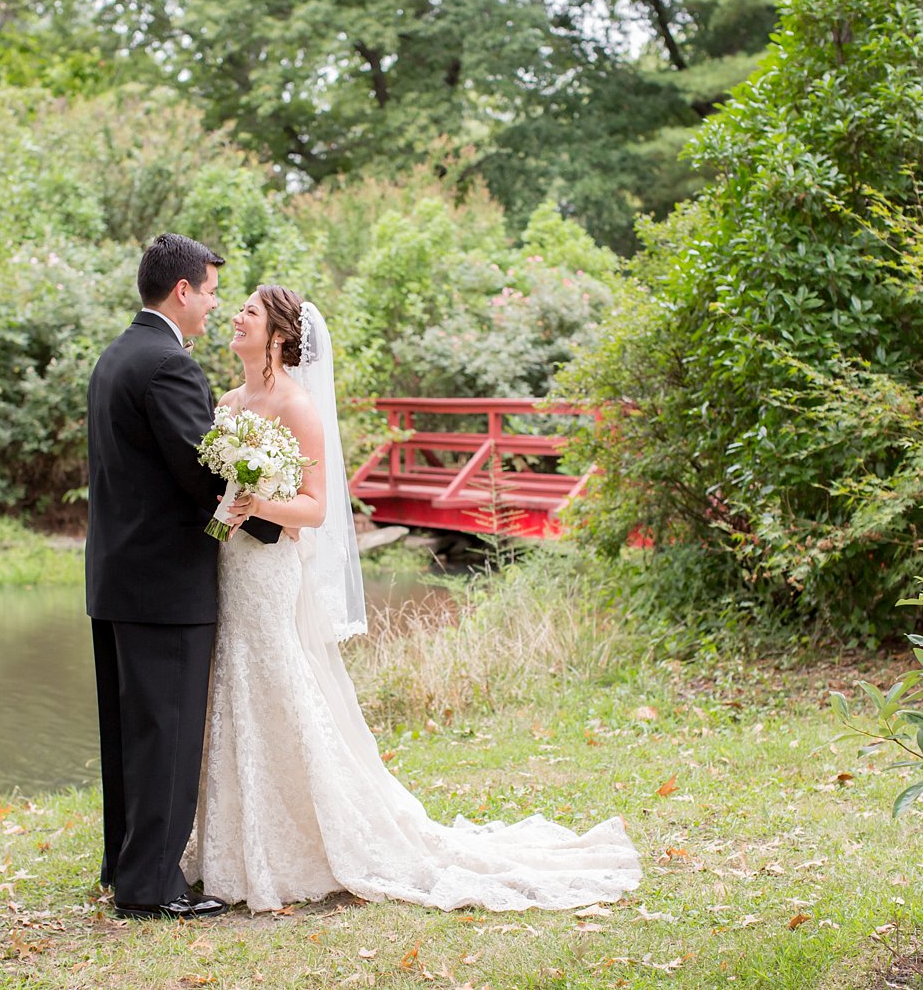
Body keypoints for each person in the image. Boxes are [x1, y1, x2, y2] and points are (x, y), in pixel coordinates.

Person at [183, 285, 643, 912]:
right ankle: (231, 847)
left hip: (268, 567)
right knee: (229, 686)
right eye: (236, 308)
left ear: (282, 337)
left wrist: (254, 504)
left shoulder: (297, 406)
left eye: (251, 313)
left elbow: (316, 509)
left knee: (274, 682)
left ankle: (303, 841)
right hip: (227, 564)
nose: (235, 317)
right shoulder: (229, 402)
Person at [84, 233, 280, 920]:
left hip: (116, 578)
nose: (215, 306)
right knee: (163, 734)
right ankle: (149, 887)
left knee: (128, 732)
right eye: (212, 292)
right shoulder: (169, 365)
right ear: (183, 291)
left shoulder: (116, 356)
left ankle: (125, 863)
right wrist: (267, 523)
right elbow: (200, 475)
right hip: (163, 582)